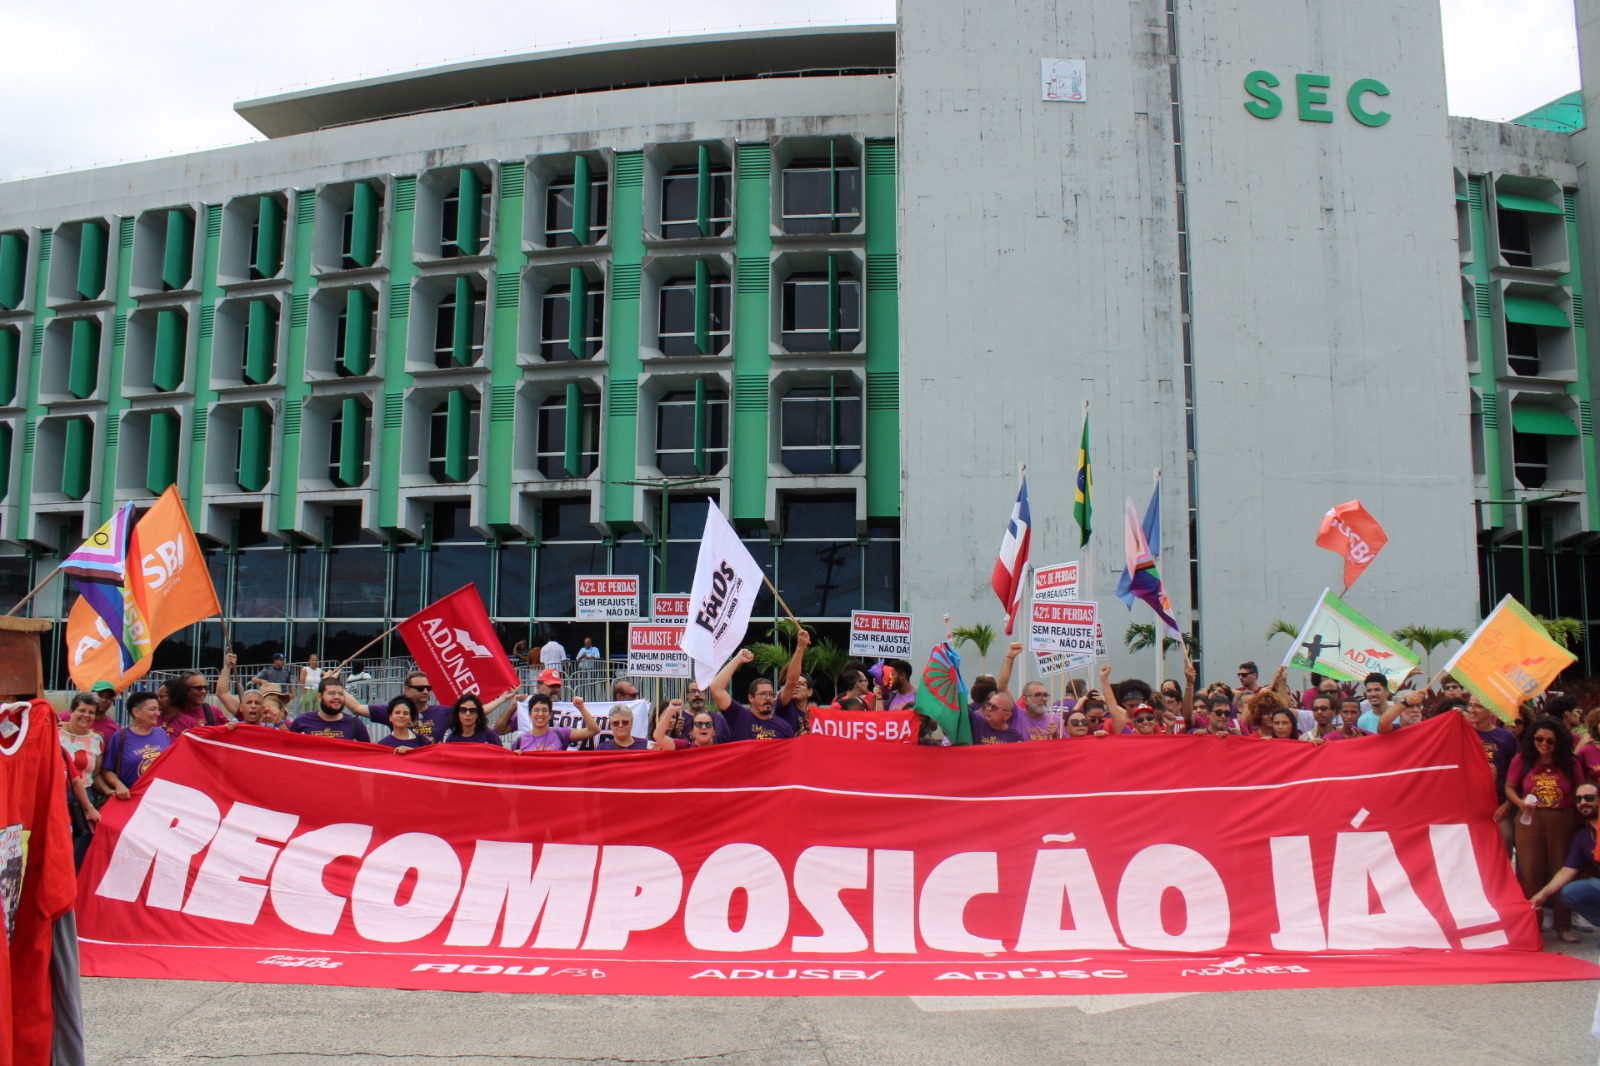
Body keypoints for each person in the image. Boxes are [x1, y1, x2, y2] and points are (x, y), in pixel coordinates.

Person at [1506, 715, 1583, 942]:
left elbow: (1580, 790)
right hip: (1530, 821)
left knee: (1560, 870)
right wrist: (1519, 802)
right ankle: (1532, 925)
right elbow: (1509, 786)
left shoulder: (1570, 762)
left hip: (1562, 819)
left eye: (1551, 741)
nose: (1544, 744)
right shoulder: (1523, 759)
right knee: (1529, 872)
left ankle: (1562, 925)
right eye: (1539, 739)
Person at [1529, 782, 1600, 929]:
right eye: (1578, 799)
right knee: (1570, 893)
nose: (1583, 802)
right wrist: (1542, 894)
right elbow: (1568, 870)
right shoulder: (1583, 836)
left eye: (1589, 798)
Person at [96, 690, 170, 800]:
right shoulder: (120, 736)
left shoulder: (161, 733)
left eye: (158, 709)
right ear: (136, 712)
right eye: (152, 709)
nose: (158, 713)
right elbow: (107, 770)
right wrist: (119, 786)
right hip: (131, 798)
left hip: (159, 797)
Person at [710, 649, 797, 740]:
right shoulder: (738, 716)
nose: (768, 698)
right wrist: (737, 659)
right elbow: (716, 687)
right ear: (751, 698)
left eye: (771, 694)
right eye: (763, 694)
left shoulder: (784, 727)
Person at [58, 692, 103, 866]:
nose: (86, 715)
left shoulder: (97, 741)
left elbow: (96, 774)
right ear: (71, 711)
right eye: (82, 710)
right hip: (57, 797)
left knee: (77, 852)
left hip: (84, 801)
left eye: (91, 712)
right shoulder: (53, 735)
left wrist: (110, 790)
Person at [288, 678, 371, 742]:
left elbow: (368, 755)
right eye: (331, 693)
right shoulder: (301, 722)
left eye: (340, 694)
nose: (337, 697)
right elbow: (287, 751)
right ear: (319, 697)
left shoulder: (355, 724)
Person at [517, 693, 600, 751]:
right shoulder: (521, 741)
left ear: (550, 715)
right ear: (529, 714)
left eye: (545, 710)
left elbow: (594, 730)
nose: (540, 714)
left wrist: (581, 707)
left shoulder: (561, 734)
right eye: (536, 710)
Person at [160, 670, 229, 738]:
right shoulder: (172, 712)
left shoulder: (213, 711)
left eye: (206, 687)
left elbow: (230, 732)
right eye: (198, 688)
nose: (203, 691)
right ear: (184, 689)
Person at [777, 628, 816, 732]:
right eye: (796, 683)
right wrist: (801, 646)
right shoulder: (785, 705)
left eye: (802, 684)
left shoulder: (816, 717)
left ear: (810, 692)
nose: (796, 686)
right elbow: (791, 682)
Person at [654, 699, 718, 752]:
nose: (704, 727)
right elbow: (658, 737)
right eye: (699, 724)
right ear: (692, 731)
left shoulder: (720, 752)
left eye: (708, 724)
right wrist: (671, 711)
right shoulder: (684, 746)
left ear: (714, 731)